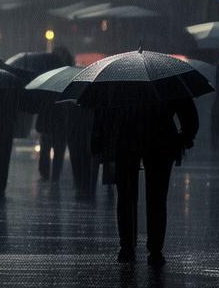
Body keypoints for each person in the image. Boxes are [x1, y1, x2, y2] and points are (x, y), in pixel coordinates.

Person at [93, 98, 198, 266]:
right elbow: (189, 114)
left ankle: (127, 245)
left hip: (126, 139)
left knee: (127, 195)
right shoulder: (168, 80)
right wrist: (184, 137)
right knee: (157, 197)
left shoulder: (121, 81)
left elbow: (105, 111)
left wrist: (101, 139)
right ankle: (155, 248)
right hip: (160, 140)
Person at [36, 101, 68, 182]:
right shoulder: (64, 98)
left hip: (48, 125)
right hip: (60, 127)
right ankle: (54, 176)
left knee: (45, 150)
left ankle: (45, 173)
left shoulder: (46, 95)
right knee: (58, 153)